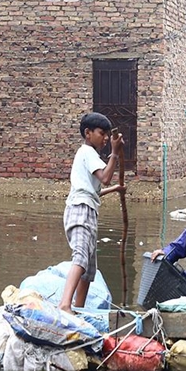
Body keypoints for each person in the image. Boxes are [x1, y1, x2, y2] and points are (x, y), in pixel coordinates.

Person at [59, 112, 126, 314]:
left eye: (107, 134)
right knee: (80, 257)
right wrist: (114, 152)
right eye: (101, 133)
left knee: (88, 270)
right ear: (88, 133)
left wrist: (116, 190)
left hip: (87, 209)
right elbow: (105, 177)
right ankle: (65, 305)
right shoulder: (87, 152)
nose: (105, 138)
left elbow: (94, 189)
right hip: (80, 209)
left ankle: (78, 308)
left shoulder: (90, 156)